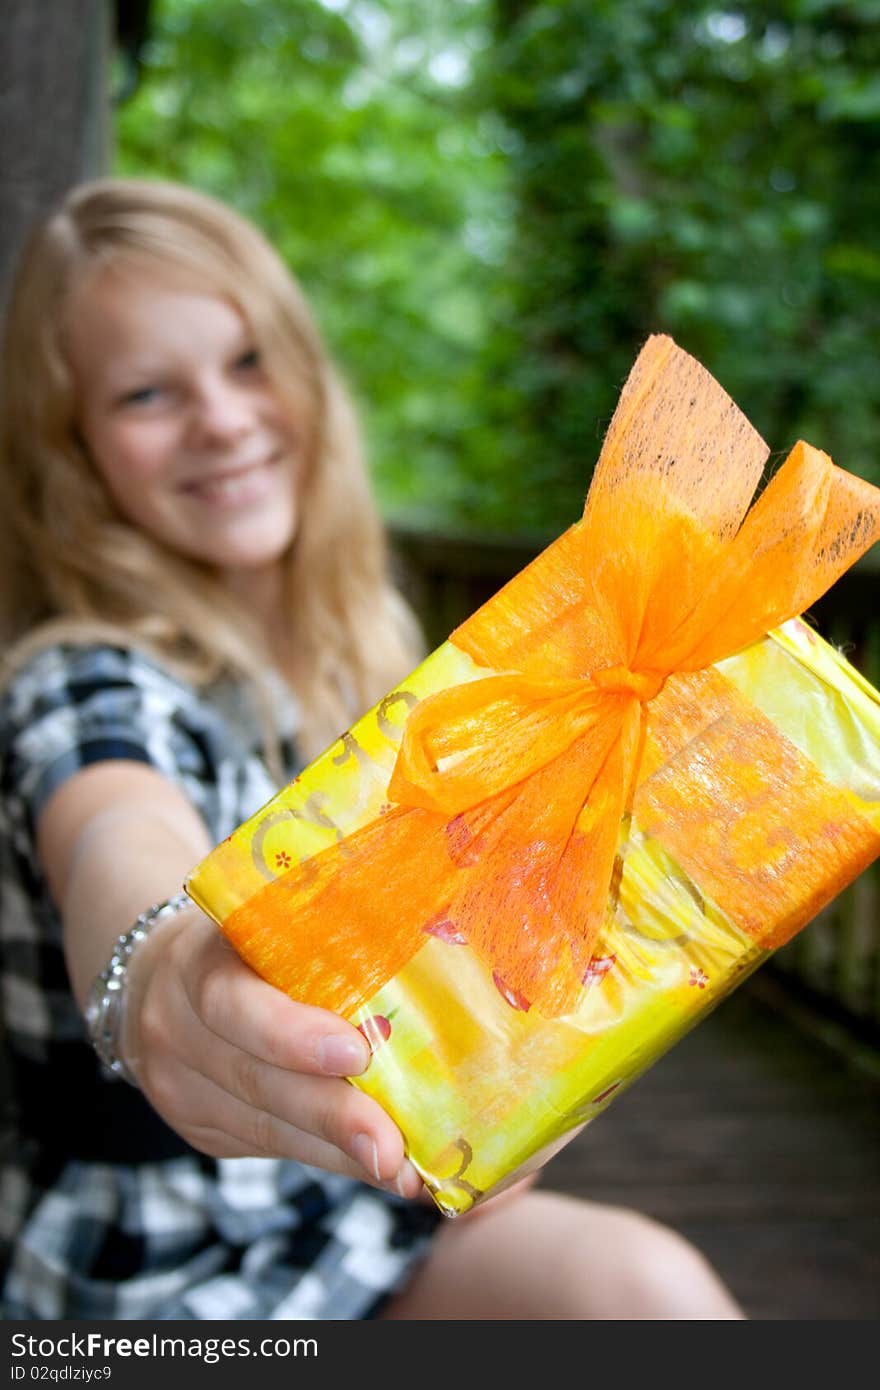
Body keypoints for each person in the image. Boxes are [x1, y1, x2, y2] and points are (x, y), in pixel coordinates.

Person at [0, 177, 743, 1320]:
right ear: (74, 451)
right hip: (149, 1279)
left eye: (247, 362)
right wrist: (157, 969)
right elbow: (113, 822)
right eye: (146, 393)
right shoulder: (84, 677)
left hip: (346, 1224)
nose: (221, 418)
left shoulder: (375, 661)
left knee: (643, 1289)